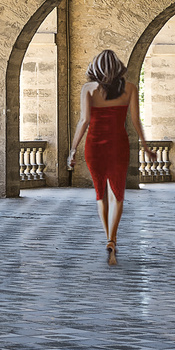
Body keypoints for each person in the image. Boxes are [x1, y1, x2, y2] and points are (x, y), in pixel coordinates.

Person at [66, 49, 143, 265]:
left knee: (100, 195)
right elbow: (136, 121)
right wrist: (145, 146)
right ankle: (113, 239)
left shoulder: (88, 89)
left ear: (96, 67)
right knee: (117, 194)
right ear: (118, 67)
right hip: (119, 145)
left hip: (95, 147)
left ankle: (108, 237)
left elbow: (84, 121)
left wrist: (72, 150)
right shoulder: (129, 89)